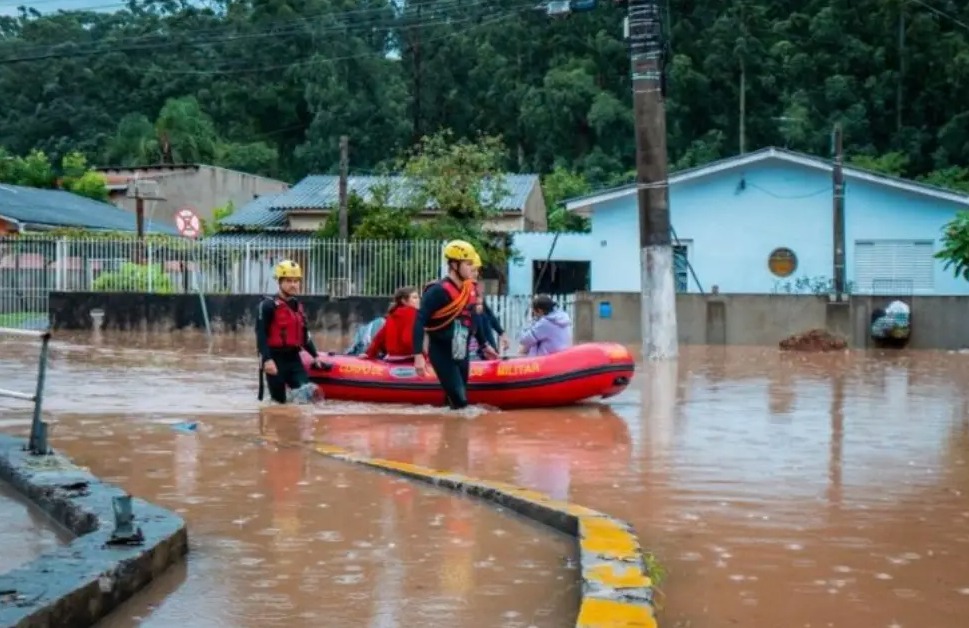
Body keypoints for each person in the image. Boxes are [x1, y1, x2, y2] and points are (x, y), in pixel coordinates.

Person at [413, 240, 498, 408]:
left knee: (454, 400)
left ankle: (449, 432)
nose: (472, 268)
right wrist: (418, 356)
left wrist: (484, 344)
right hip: (442, 352)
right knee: (461, 402)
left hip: (461, 352)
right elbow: (419, 321)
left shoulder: (467, 289)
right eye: (468, 264)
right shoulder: (438, 291)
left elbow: (472, 319)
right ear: (454, 265)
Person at [256, 260, 327, 404]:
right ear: (280, 282)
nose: (293, 285)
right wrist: (267, 360)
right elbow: (261, 334)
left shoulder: (297, 306)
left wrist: (315, 356)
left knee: (307, 396)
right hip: (275, 359)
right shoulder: (267, 305)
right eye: (289, 281)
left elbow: (304, 335)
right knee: (279, 404)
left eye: (296, 281)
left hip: (293, 359)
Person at [468, 252, 508, 359]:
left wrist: (501, 333)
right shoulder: (459, 294)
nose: (476, 274)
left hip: (483, 343)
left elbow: (488, 314)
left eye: (477, 270)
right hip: (472, 346)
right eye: (473, 271)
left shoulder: (476, 291)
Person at [364, 286, 420, 360]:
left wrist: (369, 354)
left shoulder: (391, 315)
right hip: (409, 359)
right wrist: (421, 354)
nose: (418, 300)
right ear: (404, 300)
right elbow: (408, 339)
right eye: (415, 297)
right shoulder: (413, 313)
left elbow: (379, 338)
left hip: (392, 358)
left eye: (418, 297)